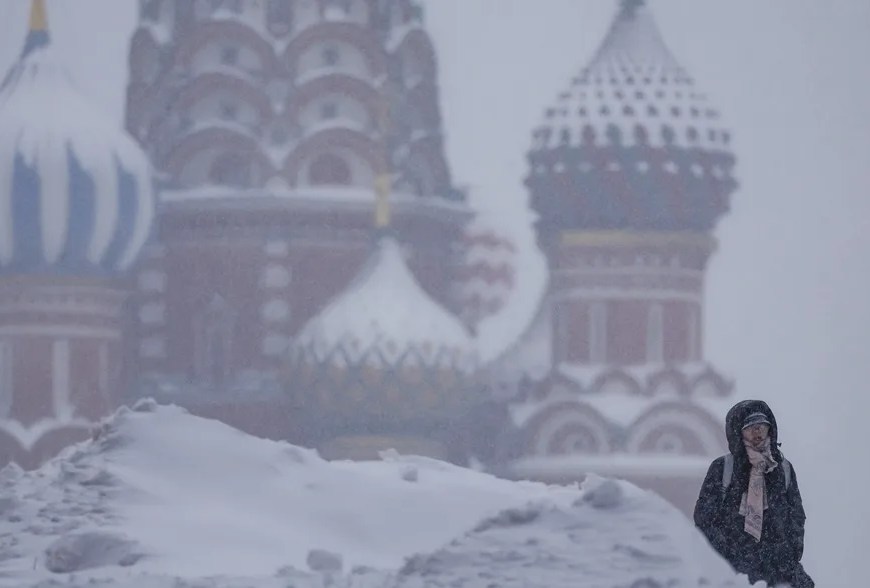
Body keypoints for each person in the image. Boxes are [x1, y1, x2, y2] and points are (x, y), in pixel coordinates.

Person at [694, 400, 814, 588]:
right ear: (738, 432)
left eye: (761, 426)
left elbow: (796, 516)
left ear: (770, 429)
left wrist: (789, 552)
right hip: (733, 569)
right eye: (750, 427)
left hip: (778, 568)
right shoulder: (723, 468)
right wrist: (725, 555)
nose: (757, 432)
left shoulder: (783, 469)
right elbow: (704, 517)